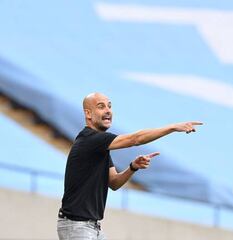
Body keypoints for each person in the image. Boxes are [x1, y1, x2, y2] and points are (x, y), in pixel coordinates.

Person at [57, 92, 203, 240]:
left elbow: (114, 182)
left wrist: (133, 167)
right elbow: (135, 139)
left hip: (91, 227)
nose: (108, 110)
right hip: (76, 226)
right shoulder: (91, 139)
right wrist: (172, 128)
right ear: (88, 114)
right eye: (101, 107)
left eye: (110, 106)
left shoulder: (100, 147)